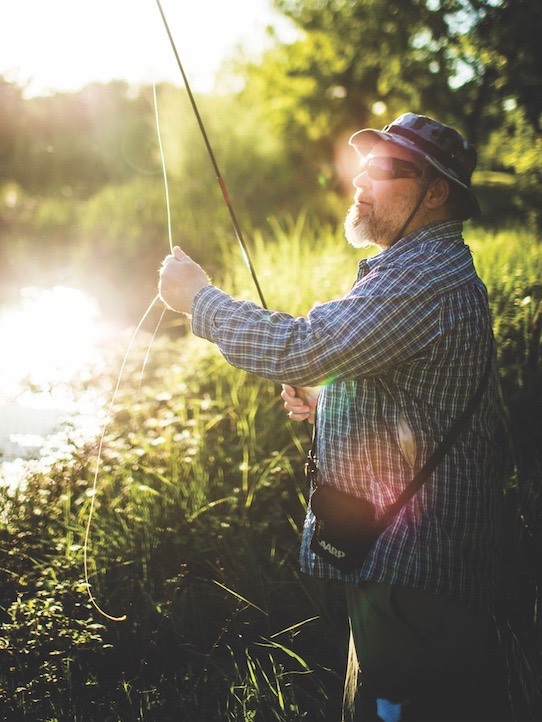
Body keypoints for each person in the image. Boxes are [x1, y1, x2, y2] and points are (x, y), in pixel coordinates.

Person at [158, 113, 506, 721]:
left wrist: (200, 300)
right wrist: (330, 402)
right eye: (363, 165)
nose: (363, 180)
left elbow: (304, 347)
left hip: (418, 580)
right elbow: (413, 397)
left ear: (437, 191)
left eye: (389, 168)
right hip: (395, 569)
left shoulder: (427, 278)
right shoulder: (406, 268)